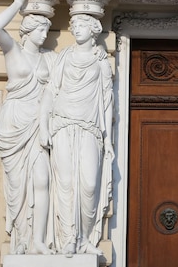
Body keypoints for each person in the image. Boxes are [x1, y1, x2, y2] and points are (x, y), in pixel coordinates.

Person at [40, 13, 114, 256]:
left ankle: (85, 238)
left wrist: (108, 138)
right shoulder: (65, 56)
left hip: (90, 127)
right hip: (62, 124)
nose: (76, 29)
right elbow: (51, 91)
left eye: (82, 25)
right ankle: (69, 238)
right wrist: (43, 126)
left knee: (89, 184)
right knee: (66, 183)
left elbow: (107, 100)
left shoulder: (101, 59)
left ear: (93, 30)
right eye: (74, 25)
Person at [0, 0, 54, 255]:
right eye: (40, 30)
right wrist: (17, 3)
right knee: (17, 186)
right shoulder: (13, 51)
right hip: (15, 122)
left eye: (47, 31)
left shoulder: (50, 59)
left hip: (38, 123)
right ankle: (21, 239)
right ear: (27, 30)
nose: (44, 35)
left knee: (42, 181)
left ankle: (39, 240)